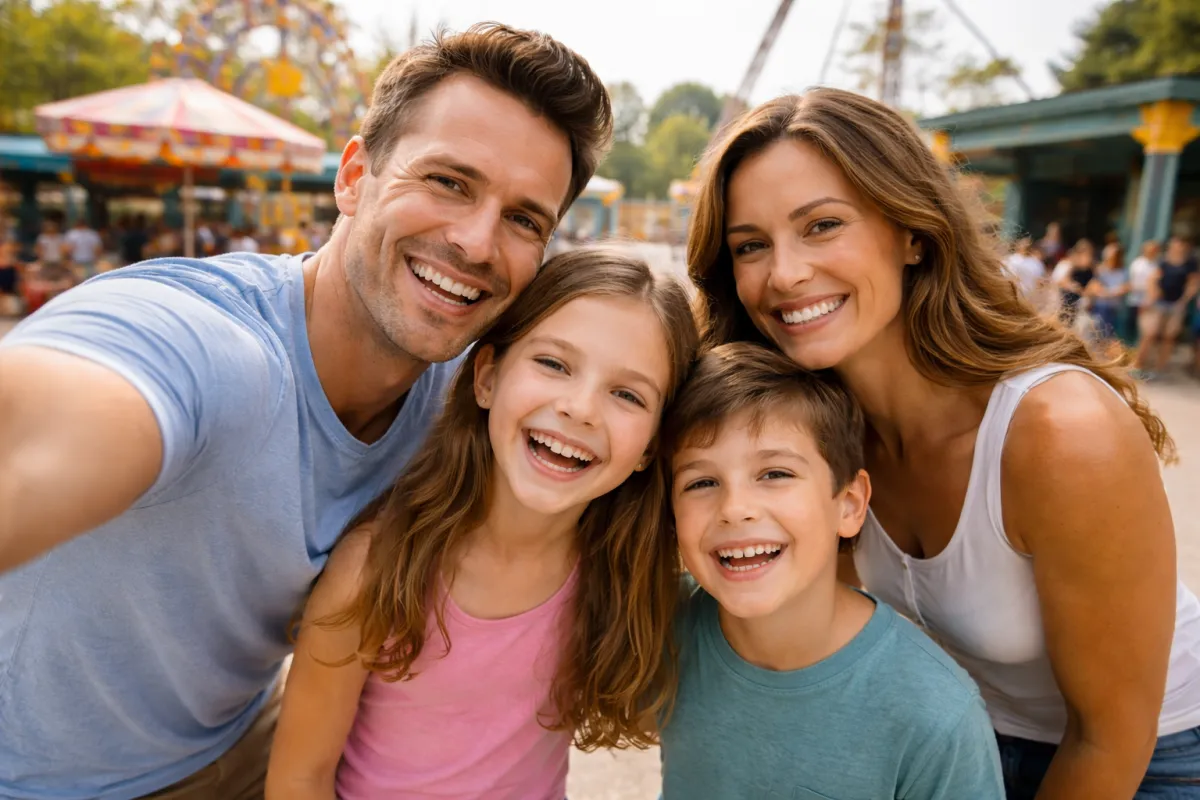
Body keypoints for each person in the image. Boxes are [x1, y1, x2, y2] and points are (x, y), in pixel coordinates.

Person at [0, 23, 612, 800]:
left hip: (242, 743)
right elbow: (49, 423)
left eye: (524, 219)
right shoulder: (205, 347)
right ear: (354, 177)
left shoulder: (476, 392)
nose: (477, 241)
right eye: (449, 181)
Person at [688, 88, 1200, 799]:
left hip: (1151, 760)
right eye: (751, 245)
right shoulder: (808, 428)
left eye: (822, 225)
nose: (785, 273)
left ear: (913, 233)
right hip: (962, 740)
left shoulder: (1060, 433)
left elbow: (1110, 737)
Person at [266, 250, 697, 799]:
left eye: (627, 395)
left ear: (651, 446)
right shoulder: (373, 569)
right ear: (488, 377)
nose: (581, 408)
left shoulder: (624, 578)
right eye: (554, 364)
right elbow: (299, 778)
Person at [658, 342, 1004, 799]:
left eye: (775, 474)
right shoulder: (661, 629)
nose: (734, 508)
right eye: (701, 482)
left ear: (850, 505)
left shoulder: (935, 717)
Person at [1136, 235, 1200, 376]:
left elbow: (1193, 283)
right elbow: (1153, 279)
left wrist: (1183, 301)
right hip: (1159, 302)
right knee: (1149, 334)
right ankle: (1139, 365)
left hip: (1176, 305)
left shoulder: (1190, 263)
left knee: (1168, 337)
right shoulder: (1163, 260)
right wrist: (1151, 297)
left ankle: (1159, 369)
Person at [1085, 241, 1127, 343]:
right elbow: (1094, 288)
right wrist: (1113, 292)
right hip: (1100, 308)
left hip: (1115, 309)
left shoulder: (1123, 271)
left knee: (1111, 339)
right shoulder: (1101, 270)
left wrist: (1108, 292)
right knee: (1098, 337)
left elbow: (1125, 288)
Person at [1052, 239, 1095, 327]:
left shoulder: (1091, 269)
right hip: (1068, 302)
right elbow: (1062, 281)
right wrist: (1074, 287)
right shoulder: (1069, 266)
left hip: (1080, 304)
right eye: (1086, 254)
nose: (1089, 257)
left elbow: (1092, 286)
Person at [1127, 239, 1161, 344]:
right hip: (1135, 300)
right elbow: (1131, 282)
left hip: (1150, 302)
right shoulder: (1137, 263)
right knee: (1132, 326)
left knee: (1145, 329)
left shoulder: (1158, 265)